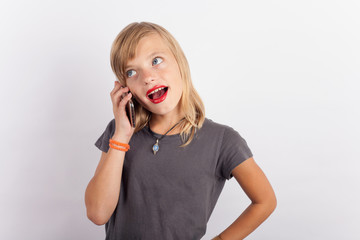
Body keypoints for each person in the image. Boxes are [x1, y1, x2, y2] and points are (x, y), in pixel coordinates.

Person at [85, 22, 277, 240]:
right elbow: (97, 213)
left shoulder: (223, 141)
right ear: (125, 87)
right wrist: (120, 137)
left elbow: (265, 201)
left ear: (179, 62)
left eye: (156, 61)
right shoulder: (118, 132)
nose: (147, 77)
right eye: (132, 71)